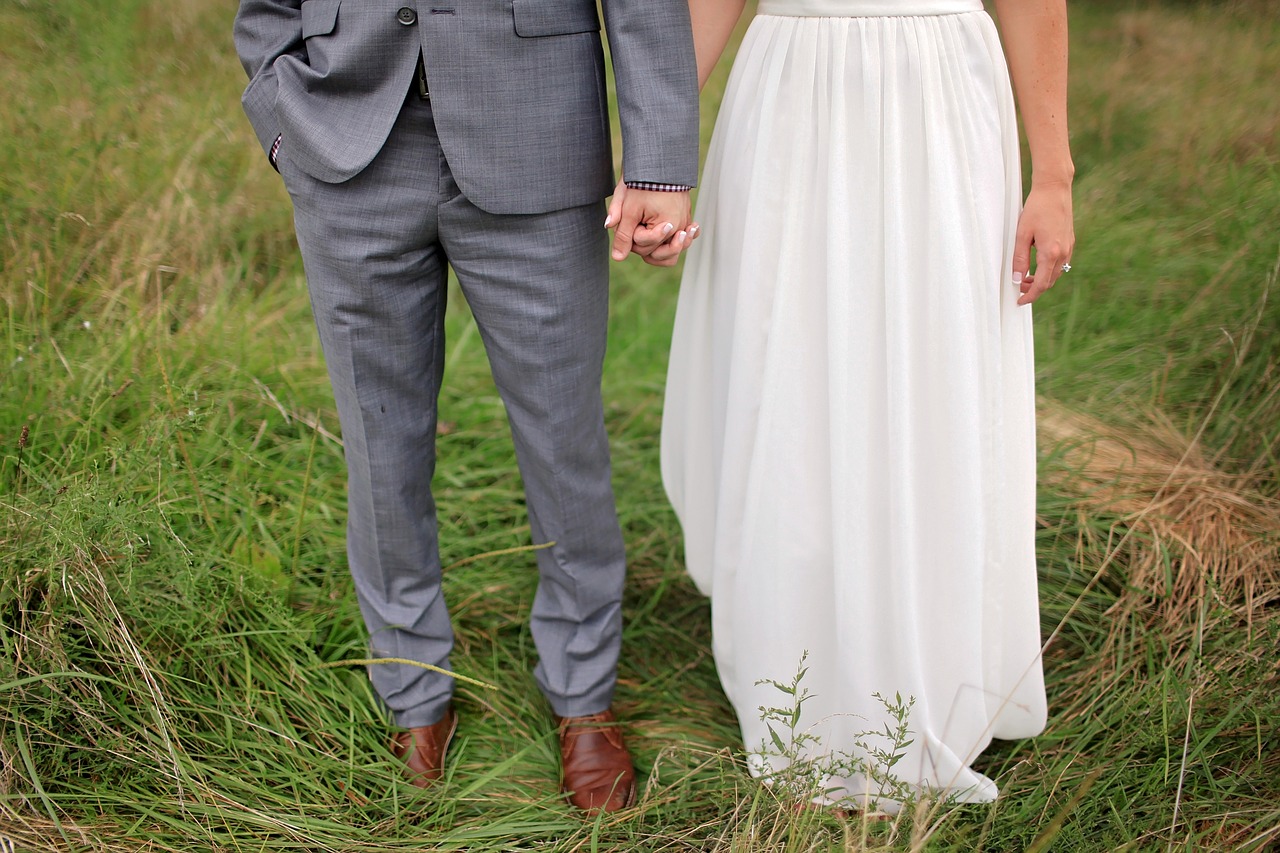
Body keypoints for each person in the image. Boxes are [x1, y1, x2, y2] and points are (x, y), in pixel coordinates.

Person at [233, 0, 700, 814]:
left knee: (564, 441)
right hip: (347, 143)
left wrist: (659, 162)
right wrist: (282, 122)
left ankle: (583, 690)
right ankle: (413, 690)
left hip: (537, 135)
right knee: (380, 446)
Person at [658, 0, 1074, 808]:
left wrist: (1053, 173)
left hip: (941, 92)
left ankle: (934, 665)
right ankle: (797, 670)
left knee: (934, 371)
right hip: (788, 93)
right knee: (787, 377)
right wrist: (656, 150)